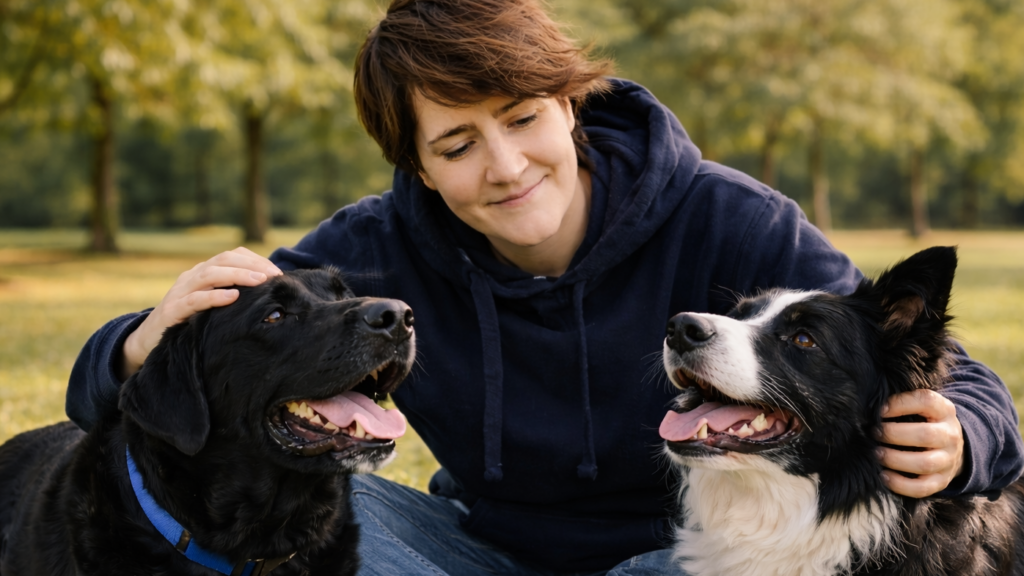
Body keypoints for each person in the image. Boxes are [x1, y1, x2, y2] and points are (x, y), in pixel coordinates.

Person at [66, 0, 1023, 574]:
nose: (506, 164)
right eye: (456, 144)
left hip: (682, 556)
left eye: (523, 117)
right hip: (464, 548)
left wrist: (961, 436)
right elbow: (146, 377)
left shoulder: (731, 218)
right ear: (418, 168)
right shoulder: (368, 249)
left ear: (568, 104)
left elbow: (964, 387)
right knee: (313, 517)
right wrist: (136, 341)